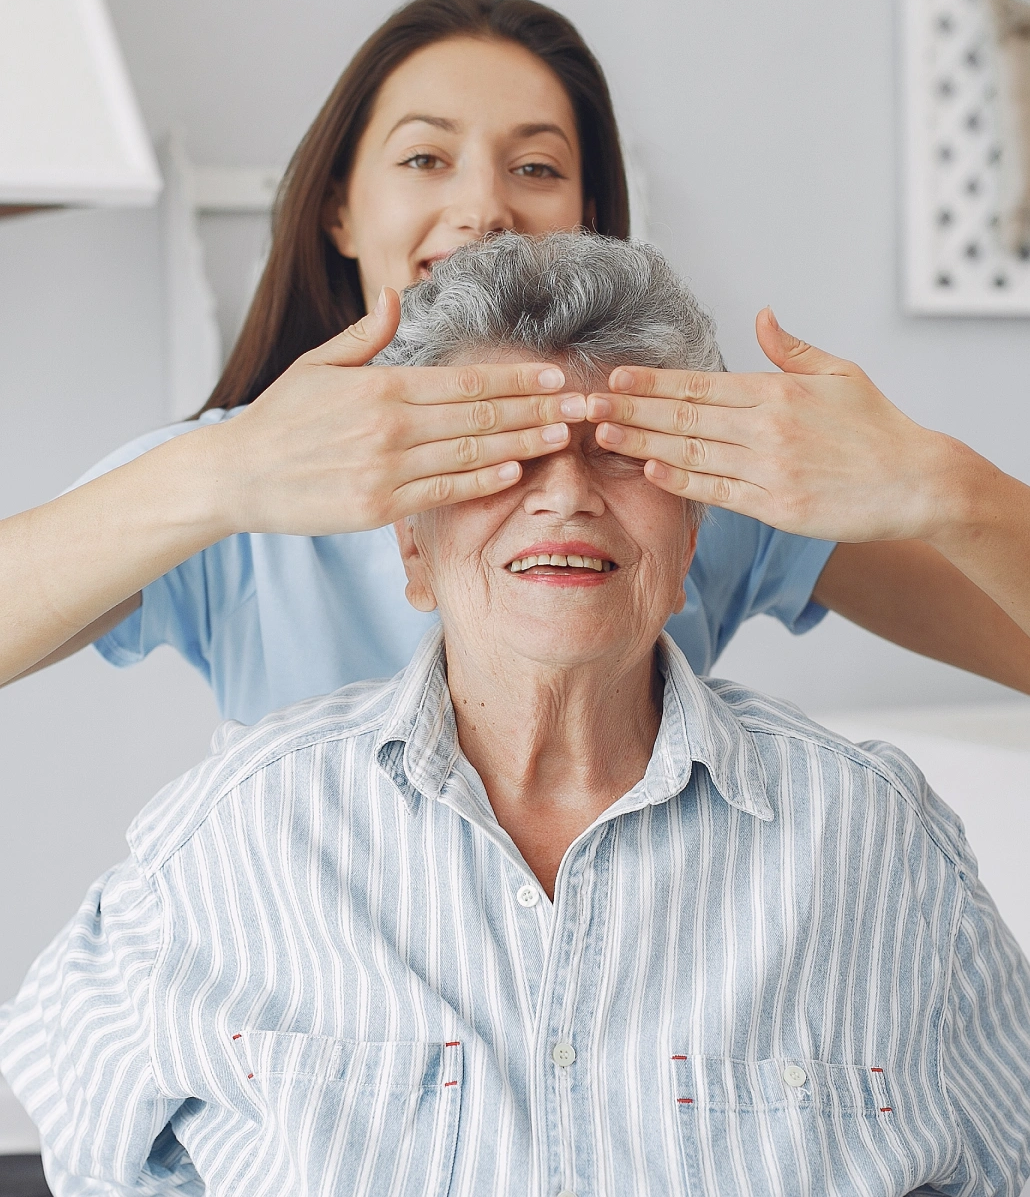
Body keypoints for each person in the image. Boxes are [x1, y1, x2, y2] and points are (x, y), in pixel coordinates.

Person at [3, 233, 1028, 1197]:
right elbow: (89, 1152)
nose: (565, 496)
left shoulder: (882, 849)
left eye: (619, 451)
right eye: (502, 450)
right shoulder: (231, 843)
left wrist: (946, 485)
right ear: (411, 548)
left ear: (691, 544)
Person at [3, 0, 1030, 721]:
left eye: (535, 165)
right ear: (340, 211)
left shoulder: (705, 472)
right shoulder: (231, 489)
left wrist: (943, 485)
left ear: (587, 216)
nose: (484, 203)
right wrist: (221, 476)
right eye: (424, 157)